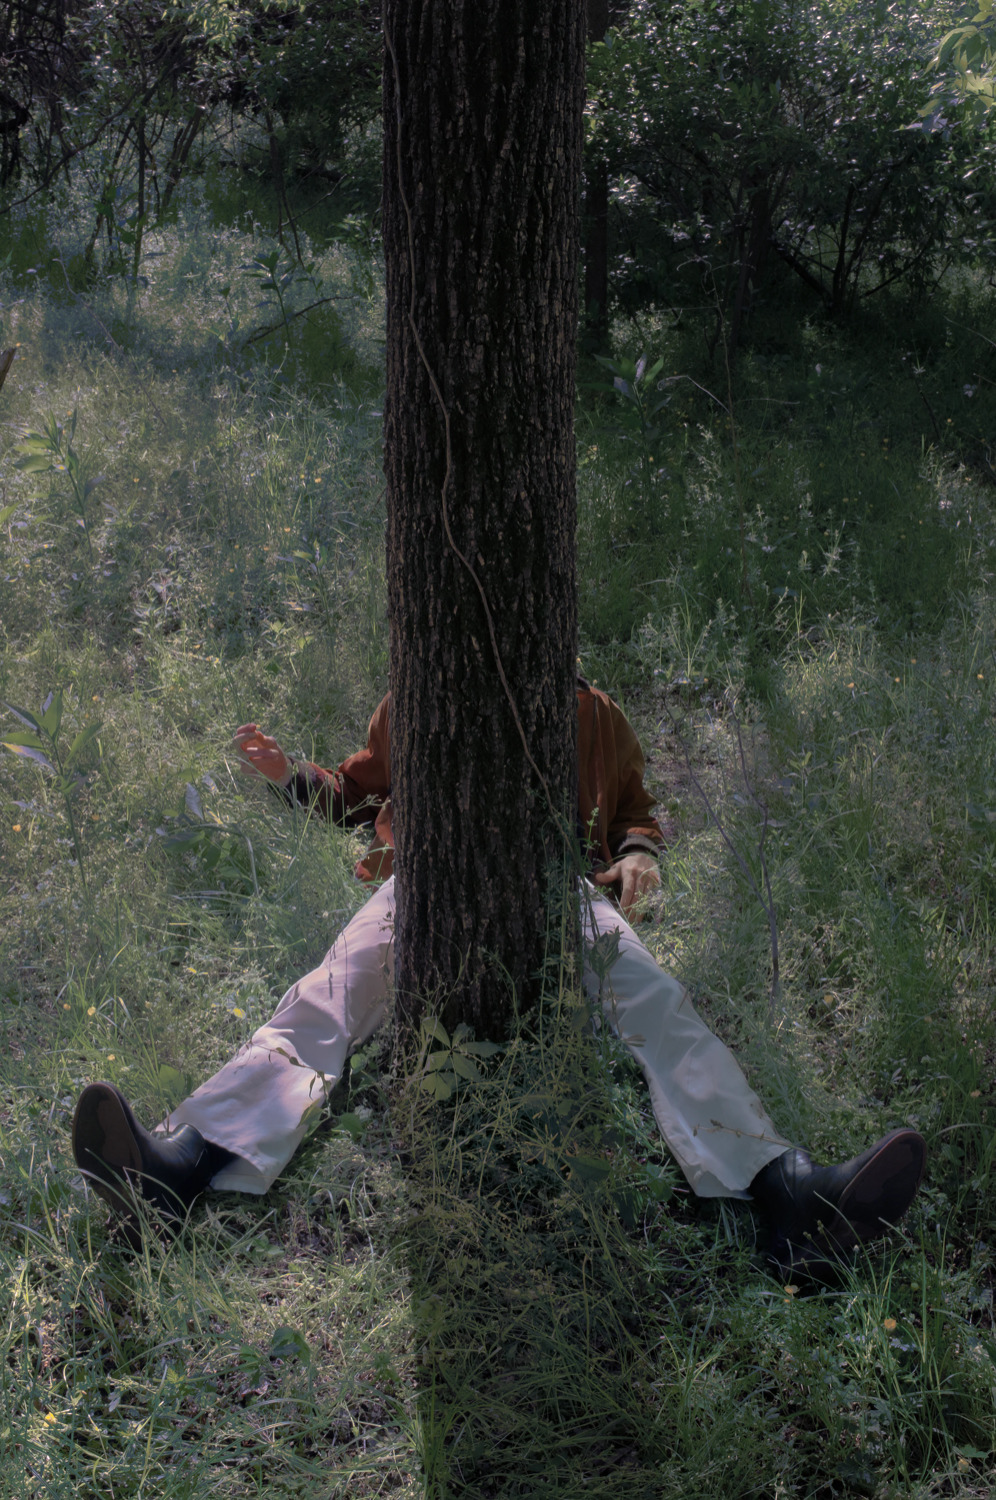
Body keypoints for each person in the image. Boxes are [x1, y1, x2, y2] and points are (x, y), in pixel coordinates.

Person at [72, 682, 926, 1277]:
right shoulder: (417, 697)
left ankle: (791, 1197)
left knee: (660, 1006)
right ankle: (178, 1167)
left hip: (553, 886)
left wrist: (635, 853)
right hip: (428, 881)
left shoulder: (593, 713)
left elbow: (634, 807)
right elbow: (354, 796)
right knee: (326, 996)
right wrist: (290, 777)